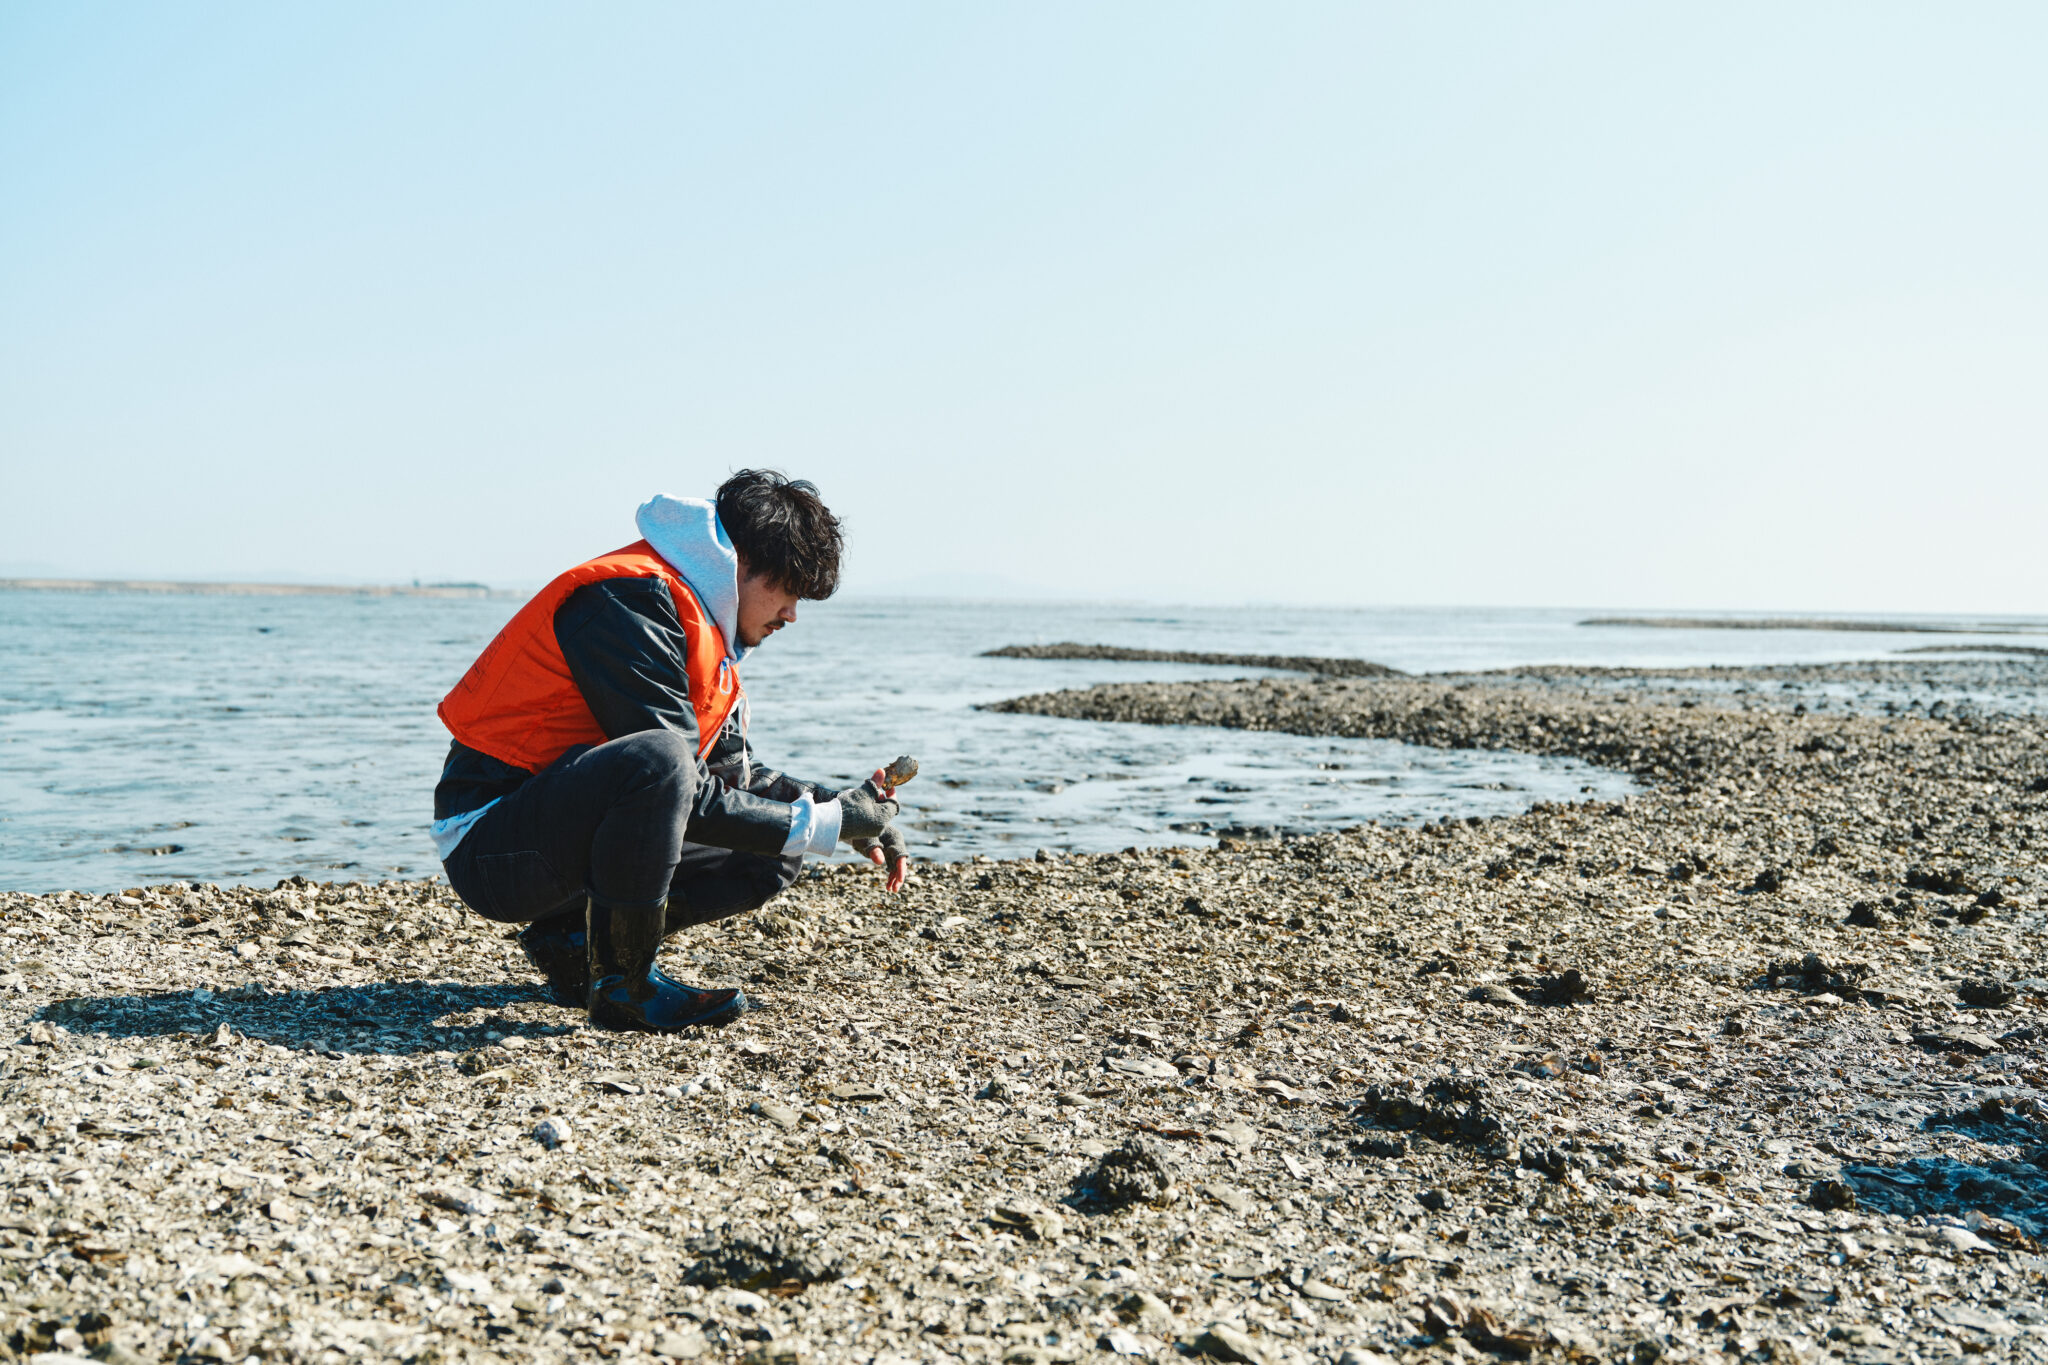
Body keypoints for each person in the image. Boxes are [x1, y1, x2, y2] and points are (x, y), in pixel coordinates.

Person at [429, 470, 910, 1032]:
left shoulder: (701, 627)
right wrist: (823, 823)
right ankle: (625, 988)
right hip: (492, 847)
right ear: (741, 563)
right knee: (660, 760)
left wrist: (844, 812)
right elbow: (670, 776)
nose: (792, 614)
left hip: (559, 835)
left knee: (771, 850)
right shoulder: (628, 602)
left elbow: (733, 779)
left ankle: (577, 945)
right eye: (789, 589)